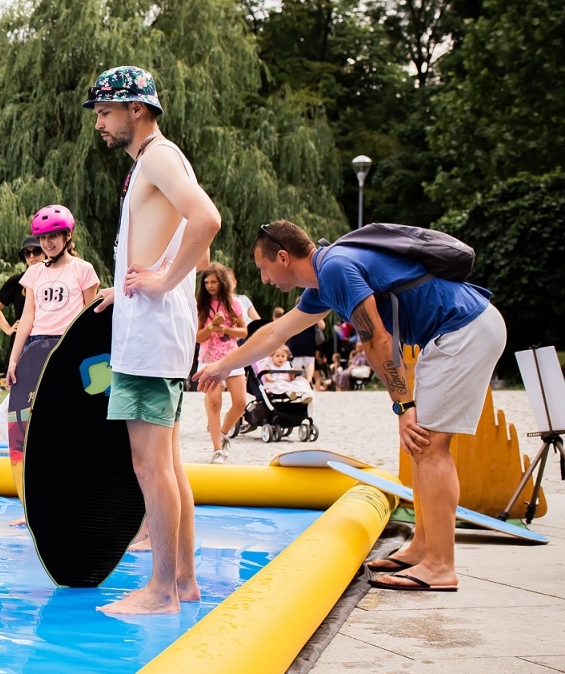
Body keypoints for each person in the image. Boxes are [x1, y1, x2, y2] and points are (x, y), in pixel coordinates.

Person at [197, 219, 506, 592]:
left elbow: (376, 338)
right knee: (422, 447)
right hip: (456, 330)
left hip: (463, 329)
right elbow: (276, 333)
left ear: (283, 256)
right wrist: (222, 365)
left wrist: (403, 405)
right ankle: (424, 546)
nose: (263, 279)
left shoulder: (336, 269)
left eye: (263, 268)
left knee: (430, 445)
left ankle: (440, 565)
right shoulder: (324, 279)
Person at [87, 65, 222, 615]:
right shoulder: (155, 161)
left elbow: (206, 220)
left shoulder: (160, 156)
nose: (98, 122)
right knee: (167, 462)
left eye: (104, 112)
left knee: (150, 465)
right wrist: (128, 288)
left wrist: (162, 283)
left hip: (151, 338)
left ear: (135, 109)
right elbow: (168, 236)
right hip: (150, 329)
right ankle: (184, 582)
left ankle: (160, 590)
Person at [5, 205, 101, 471]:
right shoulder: (34, 273)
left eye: (53, 237)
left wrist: (86, 356)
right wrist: (14, 360)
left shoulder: (83, 270)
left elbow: (89, 317)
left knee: (67, 413)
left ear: (67, 237)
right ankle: (33, 474)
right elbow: (27, 318)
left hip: (67, 346)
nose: (47, 243)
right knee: (17, 415)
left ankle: (73, 470)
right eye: (42, 238)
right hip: (35, 347)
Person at [196, 262, 249, 463]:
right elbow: (198, 337)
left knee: (240, 402)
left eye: (214, 282)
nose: (210, 286)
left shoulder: (234, 303)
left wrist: (225, 329)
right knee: (214, 402)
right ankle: (217, 448)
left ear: (222, 283)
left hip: (232, 357)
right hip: (209, 360)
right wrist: (212, 326)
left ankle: (224, 433)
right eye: (207, 282)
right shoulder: (201, 304)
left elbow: (244, 331)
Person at [0, 236, 42, 336]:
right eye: (27, 253)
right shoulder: (16, 281)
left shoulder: (55, 280)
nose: (32, 256)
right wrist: (8, 329)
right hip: (21, 340)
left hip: (47, 339)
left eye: (37, 251)